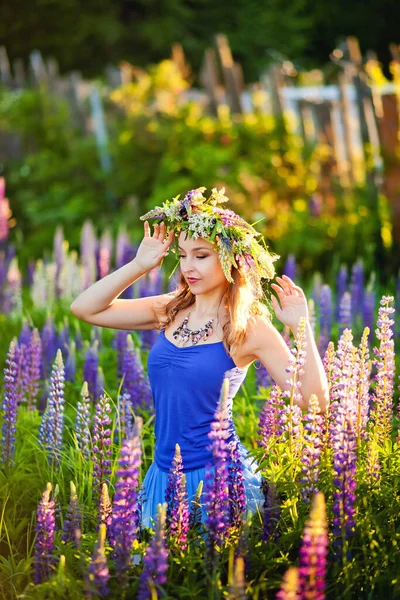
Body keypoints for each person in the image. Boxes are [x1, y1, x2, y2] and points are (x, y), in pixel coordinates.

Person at [70, 186, 329, 531]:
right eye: (183, 255)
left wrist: (301, 328)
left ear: (230, 259)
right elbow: (84, 308)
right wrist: (138, 265)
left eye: (201, 256)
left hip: (220, 479)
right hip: (162, 476)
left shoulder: (248, 327)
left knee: (211, 577)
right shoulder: (170, 308)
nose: (189, 266)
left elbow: (313, 401)